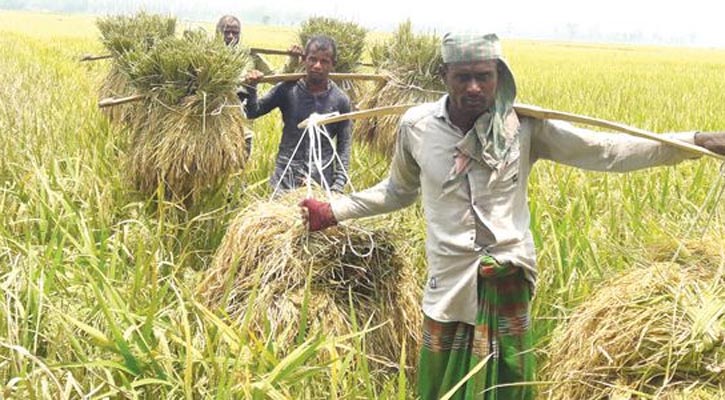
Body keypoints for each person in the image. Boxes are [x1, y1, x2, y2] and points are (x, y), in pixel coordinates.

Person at [299, 32, 725, 399]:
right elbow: (397, 192)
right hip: (447, 280)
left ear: (498, 75)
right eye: (462, 76)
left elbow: (607, 151)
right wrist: (333, 210)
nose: (473, 87)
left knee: (509, 383)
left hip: (506, 275)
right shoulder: (417, 127)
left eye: (483, 76)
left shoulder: (522, 127)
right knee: (437, 382)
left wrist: (695, 141)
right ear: (443, 77)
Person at [244, 35, 352, 193]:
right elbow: (253, 111)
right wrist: (252, 86)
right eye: (312, 59)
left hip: (320, 183)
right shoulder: (287, 90)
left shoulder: (340, 100)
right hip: (285, 179)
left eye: (324, 61)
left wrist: (338, 185)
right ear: (304, 60)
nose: (317, 66)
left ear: (333, 65)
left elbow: (344, 146)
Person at [215, 15, 302, 159]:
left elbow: (277, 78)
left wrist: (293, 59)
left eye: (235, 32)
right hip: (214, 121)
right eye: (226, 32)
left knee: (240, 164)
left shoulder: (249, 56)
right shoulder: (207, 55)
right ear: (217, 32)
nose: (230, 36)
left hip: (241, 121)